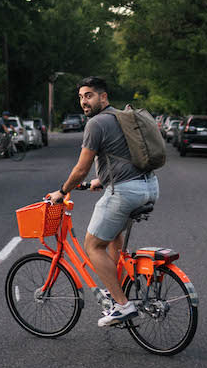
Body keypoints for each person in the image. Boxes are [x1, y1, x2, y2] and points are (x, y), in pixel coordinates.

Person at [47, 76, 159, 328]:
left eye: (89, 96)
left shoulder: (96, 124)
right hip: (149, 185)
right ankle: (116, 287)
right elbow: (124, 154)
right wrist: (103, 179)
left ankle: (122, 304)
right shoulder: (122, 117)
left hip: (126, 191)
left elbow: (80, 170)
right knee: (112, 237)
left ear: (103, 97)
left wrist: (62, 192)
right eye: (81, 97)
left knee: (93, 245)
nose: (84, 102)